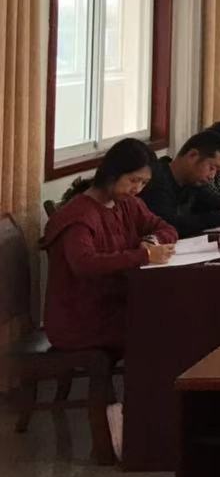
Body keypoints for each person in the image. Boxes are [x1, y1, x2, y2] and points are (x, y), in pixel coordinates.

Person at [40, 139, 178, 355]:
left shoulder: (128, 203)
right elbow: (84, 264)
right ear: (113, 173)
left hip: (115, 304)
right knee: (166, 324)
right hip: (81, 319)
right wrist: (143, 256)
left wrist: (152, 241)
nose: (137, 189)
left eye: (144, 183)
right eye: (133, 180)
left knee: (177, 311)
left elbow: (165, 228)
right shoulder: (79, 216)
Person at [141, 131, 220, 237]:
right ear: (193, 155)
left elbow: (216, 202)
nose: (212, 176)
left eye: (216, 170)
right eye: (211, 168)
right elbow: (169, 225)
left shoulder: (192, 182)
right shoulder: (156, 180)